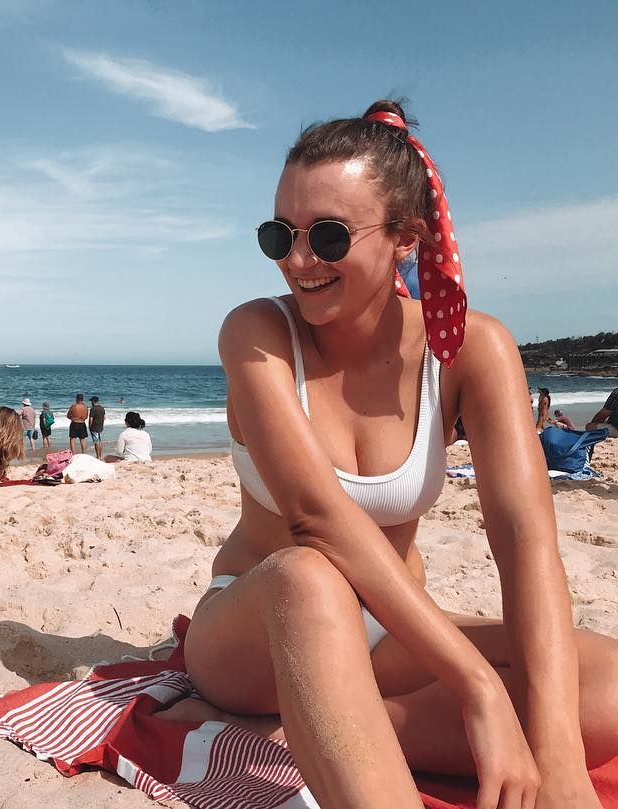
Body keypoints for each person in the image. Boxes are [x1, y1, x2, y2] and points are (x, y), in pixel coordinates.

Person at [167, 100, 618, 809]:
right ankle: (322, 729)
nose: (298, 260)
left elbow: (526, 542)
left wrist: (558, 758)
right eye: (279, 234)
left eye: (328, 235)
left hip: (390, 631)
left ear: (406, 237)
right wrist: (477, 687)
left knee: (604, 681)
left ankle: (320, 731)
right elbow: (316, 518)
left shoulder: (472, 348)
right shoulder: (257, 334)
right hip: (259, 630)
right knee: (311, 575)